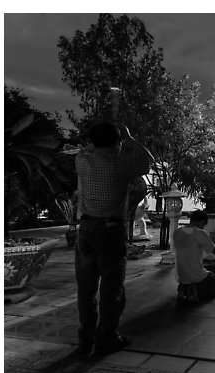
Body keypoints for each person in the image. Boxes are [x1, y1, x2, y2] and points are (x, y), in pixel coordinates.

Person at [74, 120, 153, 356]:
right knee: (111, 288)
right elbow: (147, 160)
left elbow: (88, 148)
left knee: (86, 289)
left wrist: (103, 141)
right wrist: (128, 138)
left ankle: (85, 339)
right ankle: (106, 337)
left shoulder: (82, 161)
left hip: (86, 229)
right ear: (118, 142)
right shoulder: (122, 164)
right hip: (111, 231)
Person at [174, 210, 215, 304]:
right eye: (203, 224)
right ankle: (194, 292)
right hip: (195, 273)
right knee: (212, 278)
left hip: (180, 274)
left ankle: (184, 290)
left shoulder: (177, 232)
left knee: (188, 276)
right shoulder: (200, 233)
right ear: (201, 221)